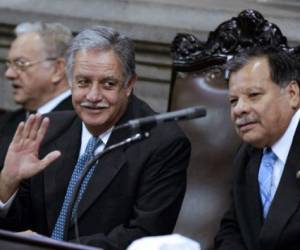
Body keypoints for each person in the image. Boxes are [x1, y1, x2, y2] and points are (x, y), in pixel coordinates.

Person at [0, 26, 191, 250]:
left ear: (129, 84)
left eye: (108, 84)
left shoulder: (162, 142)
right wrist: (7, 183)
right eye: (83, 82)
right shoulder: (48, 129)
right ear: (70, 81)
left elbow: (145, 235)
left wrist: (51, 247)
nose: (93, 96)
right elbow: (18, 226)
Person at [215, 47, 300, 250]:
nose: (239, 109)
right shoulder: (246, 154)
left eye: (253, 95)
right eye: (233, 101)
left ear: (293, 94)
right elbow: (232, 228)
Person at [0, 22, 73, 167]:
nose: (9, 74)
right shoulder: (7, 121)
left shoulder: (81, 122)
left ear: (57, 69)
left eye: (21, 64)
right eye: (9, 65)